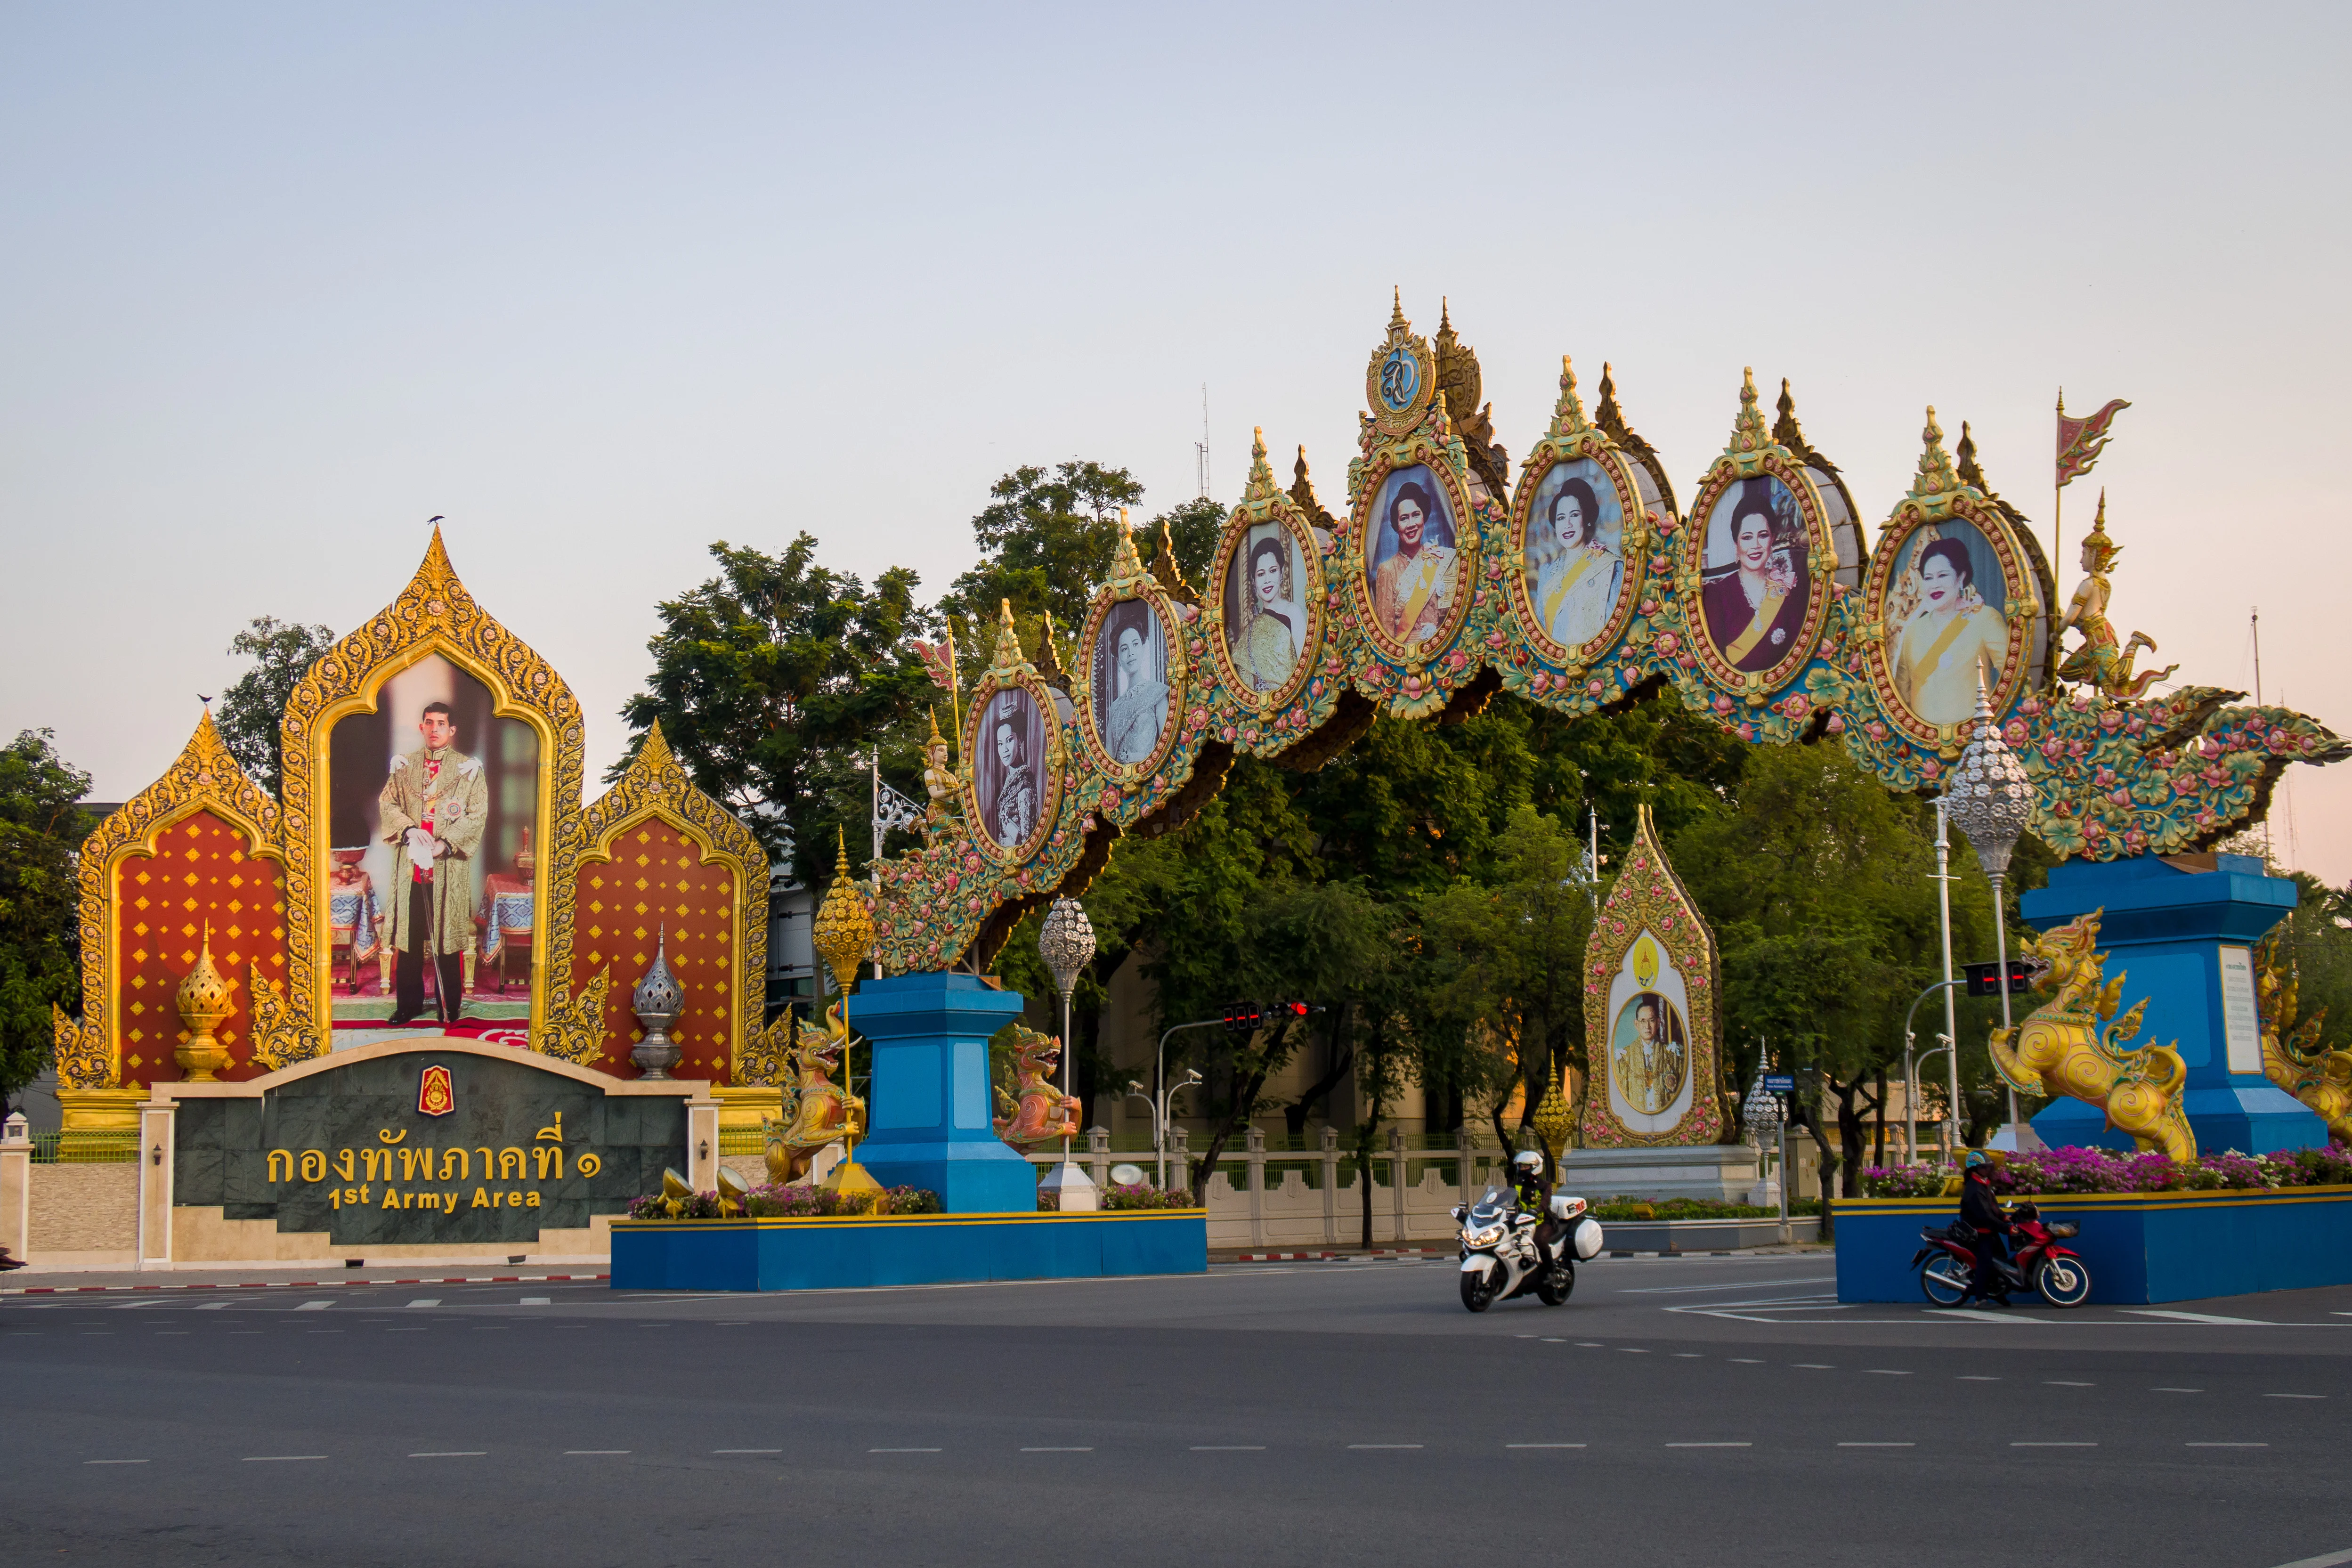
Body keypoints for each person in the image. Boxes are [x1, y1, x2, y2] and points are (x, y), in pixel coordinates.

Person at [376, 700, 487, 1025]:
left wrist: (445, 843)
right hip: (411, 865)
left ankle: (448, 1005)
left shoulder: (469, 769)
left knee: (446, 940)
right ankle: (408, 1005)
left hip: (447, 866)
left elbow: (477, 814)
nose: (435, 728)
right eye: (429, 722)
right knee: (409, 941)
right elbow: (388, 803)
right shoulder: (404, 766)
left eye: (442, 723)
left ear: (452, 730)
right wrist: (409, 829)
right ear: (421, 727)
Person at [1893, 536, 2007, 725]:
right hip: (1923, 743)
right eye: (1928, 578)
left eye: (1943, 575)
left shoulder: (1984, 618)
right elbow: (1901, 695)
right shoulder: (1914, 630)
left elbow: (2011, 678)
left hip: (1979, 737)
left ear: (1961, 577)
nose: (1935, 584)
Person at [1700, 479, 1811, 672]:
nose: (1756, 546)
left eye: (1763, 535)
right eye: (1747, 538)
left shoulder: (1790, 590)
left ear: (1773, 540)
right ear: (1736, 543)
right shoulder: (1715, 594)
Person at [1528, 474, 1623, 648]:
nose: (1568, 525)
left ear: (1586, 520)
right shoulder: (1547, 573)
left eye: (1574, 515)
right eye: (1561, 518)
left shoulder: (1610, 567)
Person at [1370, 478, 1457, 644]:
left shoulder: (1443, 558)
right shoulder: (1387, 569)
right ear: (1396, 525)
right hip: (1407, 660)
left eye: (1416, 515)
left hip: (1446, 653)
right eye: (1404, 518)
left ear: (1424, 518)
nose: (1411, 524)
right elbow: (1386, 636)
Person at [1230, 534, 1299, 691]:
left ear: (1282, 573)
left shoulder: (1292, 613)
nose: (1267, 580)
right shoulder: (1251, 628)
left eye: (1273, 571)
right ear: (1254, 581)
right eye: (1261, 574)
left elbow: (1305, 666)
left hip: (1291, 703)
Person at [1104, 611, 1168, 764]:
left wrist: (1135, 757)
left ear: (1143, 648)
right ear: (1119, 660)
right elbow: (1109, 756)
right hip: (1119, 783)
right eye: (1124, 649)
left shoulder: (1158, 694)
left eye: (1135, 644)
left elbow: (1168, 746)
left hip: (1152, 779)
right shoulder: (1115, 707)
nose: (1131, 653)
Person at [1957, 1150, 2014, 1306]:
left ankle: (1997, 1293)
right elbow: (1985, 1216)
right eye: (1984, 1168)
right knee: (1986, 1262)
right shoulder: (1974, 1189)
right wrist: (2006, 1229)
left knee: (2001, 1260)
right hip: (1978, 1234)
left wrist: (2005, 1217)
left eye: (1989, 1168)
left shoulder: (1984, 1184)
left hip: (1989, 1231)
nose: (1988, 1171)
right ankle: (1980, 1297)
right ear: (1974, 1169)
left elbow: (1993, 1208)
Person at [988, 699, 1037, 847]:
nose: (1005, 750)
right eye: (1000, 744)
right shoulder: (1011, 778)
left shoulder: (1025, 784)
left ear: (1020, 739)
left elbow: (1027, 839)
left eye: (1009, 741)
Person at [1508, 1149, 1566, 1271]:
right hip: (1520, 1221)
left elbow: (1545, 1202)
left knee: (1540, 1241)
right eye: (1520, 1166)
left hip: (1541, 1221)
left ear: (1535, 1167)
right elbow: (1507, 1197)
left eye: (1525, 1166)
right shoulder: (1517, 1183)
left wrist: (1537, 1210)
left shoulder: (1545, 1185)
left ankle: (1550, 1272)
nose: (1522, 1169)